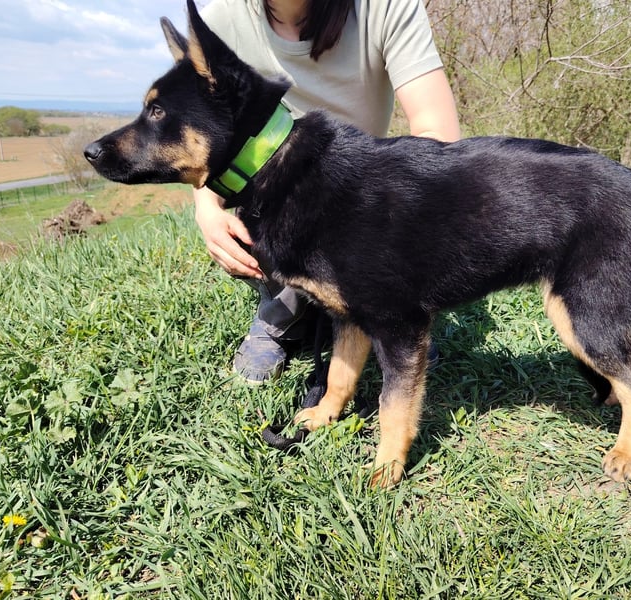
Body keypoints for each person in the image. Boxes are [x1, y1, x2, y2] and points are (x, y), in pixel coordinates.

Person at [197, 0, 461, 383]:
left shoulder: (386, 7)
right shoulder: (219, 20)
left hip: (364, 194)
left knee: (396, 209)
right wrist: (207, 207)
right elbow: (207, 130)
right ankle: (282, 313)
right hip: (277, 192)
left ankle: (392, 308)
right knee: (263, 194)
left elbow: (437, 134)